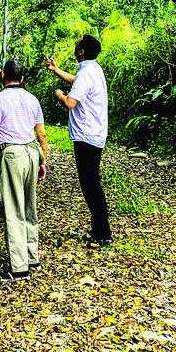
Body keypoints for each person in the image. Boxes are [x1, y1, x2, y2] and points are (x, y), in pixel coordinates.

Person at [0, 59, 49, 282]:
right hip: (32, 152)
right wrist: (43, 161)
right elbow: (41, 134)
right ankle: (32, 257)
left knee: (14, 208)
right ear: (22, 78)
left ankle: (19, 267)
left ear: (3, 75)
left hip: (11, 154)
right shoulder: (32, 99)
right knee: (30, 206)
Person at [47, 34, 112, 246]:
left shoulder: (87, 72)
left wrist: (58, 94)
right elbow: (77, 82)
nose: (75, 47)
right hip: (94, 133)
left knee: (90, 184)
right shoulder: (93, 70)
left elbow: (71, 102)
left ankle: (102, 232)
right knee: (92, 183)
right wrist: (57, 71)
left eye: (77, 45)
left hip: (86, 136)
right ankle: (99, 229)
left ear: (82, 51)